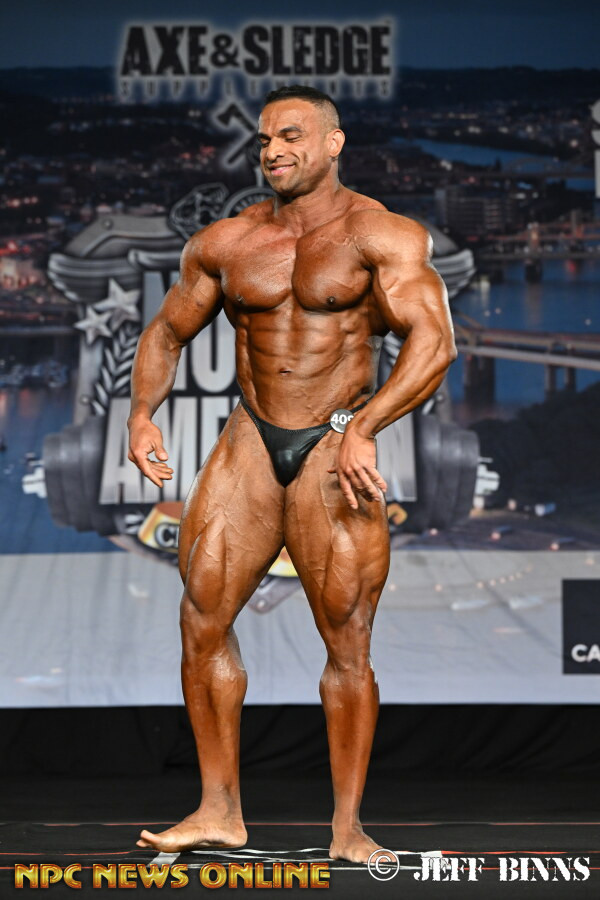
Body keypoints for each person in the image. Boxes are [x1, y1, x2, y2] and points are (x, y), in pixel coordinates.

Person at [127, 85, 456, 864]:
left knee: (347, 638)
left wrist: (365, 426)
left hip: (332, 441)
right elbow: (166, 332)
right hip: (248, 440)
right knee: (201, 618)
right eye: (266, 139)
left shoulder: (380, 232)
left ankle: (348, 830)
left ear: (334, 143)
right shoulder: (229, 241)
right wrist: (142, 414)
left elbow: (434, 342)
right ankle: (218, 810)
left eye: (292, 135)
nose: (274, 150)